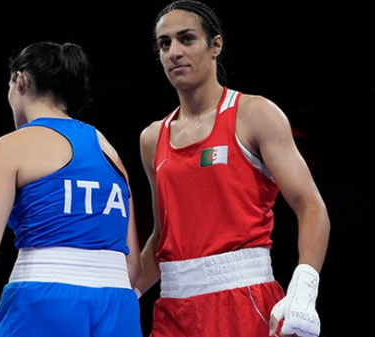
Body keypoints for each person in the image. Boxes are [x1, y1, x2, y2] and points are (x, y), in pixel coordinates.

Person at [135, 1, 331, 337]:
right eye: (164, 44)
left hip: (244, 301)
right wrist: (123, 295)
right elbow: (161, 237)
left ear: (215, 46)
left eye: (186, 39)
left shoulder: (254, 115)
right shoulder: (152, 138)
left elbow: (311, 206)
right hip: (173, 310)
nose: (174, 52)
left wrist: (304, 287)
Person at [0, 41, 143, 337]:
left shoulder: (10, 147)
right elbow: (133, 265)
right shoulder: (109, 149)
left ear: (20, 80)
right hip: (119, 305)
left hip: (43, 299)